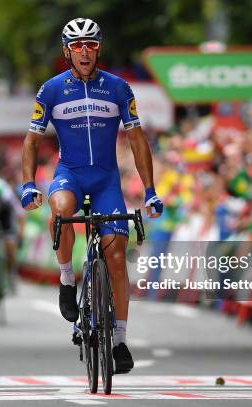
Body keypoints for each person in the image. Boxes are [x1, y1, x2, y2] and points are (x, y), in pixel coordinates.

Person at [20, 18, 163, 374]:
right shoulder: (51, 90)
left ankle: (119, 340)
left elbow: (137, 140)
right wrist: (27, 184)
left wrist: (150, 191)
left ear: (99, 49)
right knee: (63, 209)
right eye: (78, 46)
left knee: (116, 255)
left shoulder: (118, 88)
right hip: (70, 174)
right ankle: (67, 278)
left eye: (92, 45)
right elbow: (32, 141)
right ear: (66, 52)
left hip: (105, 180)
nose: (85, 52)